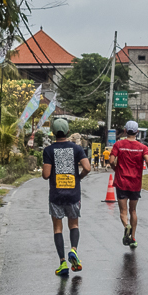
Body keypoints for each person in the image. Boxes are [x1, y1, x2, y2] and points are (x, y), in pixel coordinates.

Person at [42, 118, 92, 277]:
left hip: (56, 195)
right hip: (73, 194)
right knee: (74, 225)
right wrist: (79, 177)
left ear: (54, 133)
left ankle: (62, 262)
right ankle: (74, 250)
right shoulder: (77, 149)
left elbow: (46, 175)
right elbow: (87, 168)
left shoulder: (48, 150)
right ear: (68, 132)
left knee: (58, 228)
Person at [110, 120, 148, 247]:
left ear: (125, 131)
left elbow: (111, 160)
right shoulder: (142, 147)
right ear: (137, 132)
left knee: (123, 211)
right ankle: (133, 238)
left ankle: (126, 226)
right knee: (133, 210)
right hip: (135, 183)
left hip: (121, 182)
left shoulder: (119, 144)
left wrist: (116, 169)